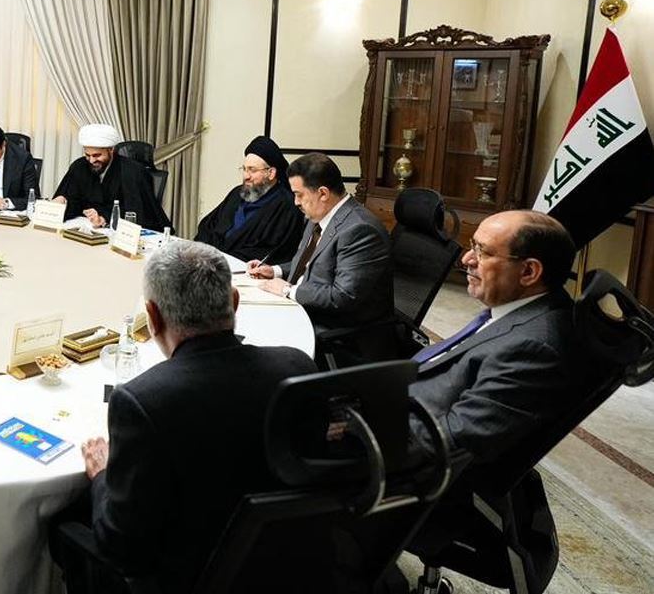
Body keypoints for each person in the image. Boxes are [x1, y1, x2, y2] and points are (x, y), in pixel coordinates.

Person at [75, 240, 317, 593]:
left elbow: (121, 548)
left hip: (185, 578)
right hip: (295, 567)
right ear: (234, 302)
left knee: (65, 517)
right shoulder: (296, 365)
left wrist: (101, 475)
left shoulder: (143, 401)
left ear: (152, 317)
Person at [404, 211, 599, 582]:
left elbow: (452, 440)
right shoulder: (515, 311)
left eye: (483, 251)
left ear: (529, 272)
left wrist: (358, 426)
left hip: (411, 475)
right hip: (403, 406)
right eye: (472, 246)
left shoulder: (536, 347)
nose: (466, 258)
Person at [247, 152, 393, 361]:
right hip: (306, 312)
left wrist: (288, 290)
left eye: (299, 195)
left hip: (339, 337)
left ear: (323, 193)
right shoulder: (319, 215)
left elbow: (342, 297)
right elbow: (311, 265)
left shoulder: (360, 230)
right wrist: (275, 271)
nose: (296, 202)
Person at [194, 135, 305, 265]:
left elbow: (272, 253)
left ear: (271, 173)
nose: (246, 176)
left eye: (252, 170)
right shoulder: (237, 193)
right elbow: (208, 226)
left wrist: (222, 260)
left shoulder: (287, 206)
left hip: (243, 271)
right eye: (244, 169)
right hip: (209, 262)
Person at [51, 124, 171, 231]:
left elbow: (136, 214)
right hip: (87, 228)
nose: (91, 160)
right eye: (87, 155)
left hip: (120, 235)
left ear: (111, 150)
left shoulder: (132, 172)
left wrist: (104, 218)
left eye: (97, 155)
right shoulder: (80, 166)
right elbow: (76, 202)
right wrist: (64, 202)